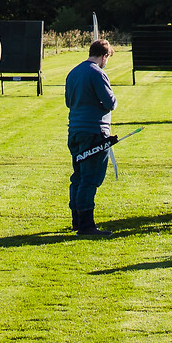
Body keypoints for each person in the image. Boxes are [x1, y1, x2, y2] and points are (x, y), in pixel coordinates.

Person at [64, 38, 117, 238]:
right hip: (94, 132)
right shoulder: (98, 73)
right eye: (108, 58)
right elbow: (110, 103)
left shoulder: (73, 72)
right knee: (90, 178)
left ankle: (77, 220)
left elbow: (69, 101)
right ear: (104, 56)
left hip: (75, 131)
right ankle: (87, 226)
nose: (107, 62)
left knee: (78, 176)